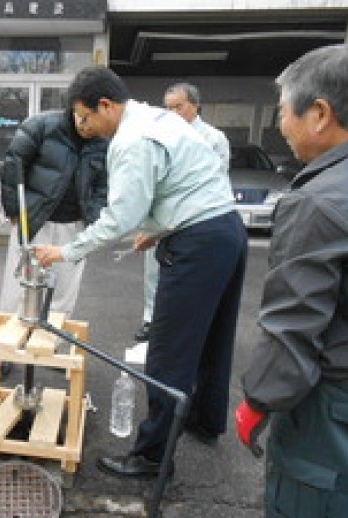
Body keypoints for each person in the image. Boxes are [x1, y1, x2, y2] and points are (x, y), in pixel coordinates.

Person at [34, 66, 247, 479]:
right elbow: (180, 183)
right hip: (225, 230)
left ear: (106, 106)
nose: (84, 126)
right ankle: (203, 421)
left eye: (85, 117)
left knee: (168, 350)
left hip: (197, 243)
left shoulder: (131, 140)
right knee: (211, 337)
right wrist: (156, 230)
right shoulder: (156, 117)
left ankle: (151, 457)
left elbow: (119, 219)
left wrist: (65, 251)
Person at [235, 43, 348, 517]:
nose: (281, 127)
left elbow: (293, 325)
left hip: (335, 411)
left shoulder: (318, 200)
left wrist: (256, 402)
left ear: (319, 113)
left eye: (283, 112)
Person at [131, 82, 231, 342]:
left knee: (190, 277)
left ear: (196, 106)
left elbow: (209, 186)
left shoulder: (213, 138)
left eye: (179, 106)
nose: (172, 113)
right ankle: (152, 320)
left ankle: (189, 327)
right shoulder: (160, 135)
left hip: (194, 223)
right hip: (160, 218)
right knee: (153, 272)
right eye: (168, 108)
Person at [0, 108, 109, 319]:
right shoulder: (41, 126)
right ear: (76, 107)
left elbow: (103, 188)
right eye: (83, 119)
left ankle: (52, 338)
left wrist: (93, 220)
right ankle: (11, 337)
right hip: (35, 220)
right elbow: (14, 165)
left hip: (74, 224)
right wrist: (13, 209)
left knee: (62, 289)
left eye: (93, 122)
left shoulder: (103, 143)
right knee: (20, 283)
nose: (87, 127)